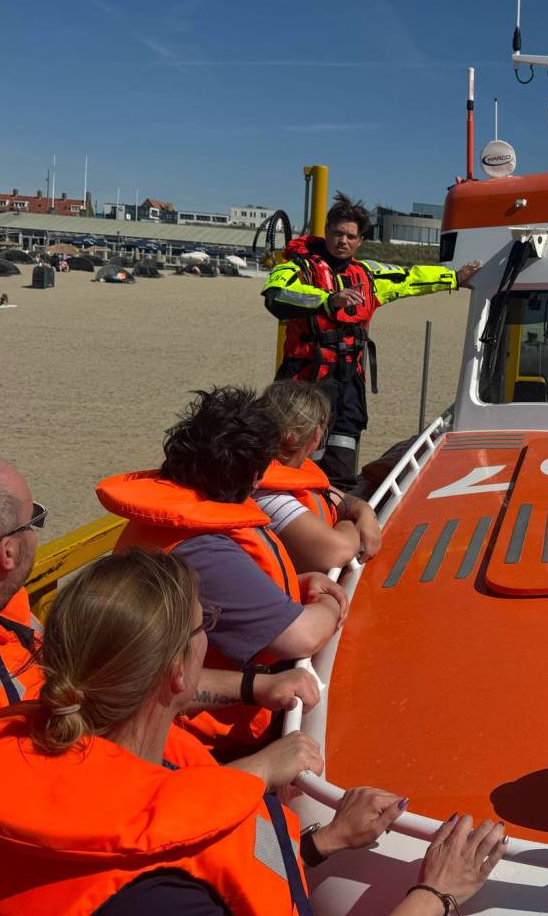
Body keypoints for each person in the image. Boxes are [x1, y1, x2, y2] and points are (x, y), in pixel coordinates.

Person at [0, 549, 506, 916]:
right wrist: (437, 894)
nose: (208, 637)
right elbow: (164, 873)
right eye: (203, 627)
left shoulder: (20, 782)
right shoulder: (160, 893)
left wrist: (323, 843)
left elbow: (145, 842)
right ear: (176, 673)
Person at [0, 460, 320, 911]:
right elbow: (59, 842)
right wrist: (255, 776)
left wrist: (249, 687)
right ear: (6, 554)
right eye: (36, 519)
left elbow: (115, 679)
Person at [98, 387, 349, 753]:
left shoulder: (171, 526)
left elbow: (221, 599)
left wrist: (294, 585)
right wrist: (330, 600)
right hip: (194, 738)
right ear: (252, 477)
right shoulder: (201, 548)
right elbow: (302, 637)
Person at [262, 193, 481, 487]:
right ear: (326, 232)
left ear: (360, 241)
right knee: (297, 456)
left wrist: (453, 278)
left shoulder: (367, 275)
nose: (343, 241)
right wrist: (328, 300)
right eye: (338, 233)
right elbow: (276, 296)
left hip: (349, 381)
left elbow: (409, 279)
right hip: (306, 379)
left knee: (343, 452)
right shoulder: (297, 268)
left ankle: (333, 504)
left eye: (351, 236)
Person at [254, 380, 384, 573]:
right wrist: (347, 522)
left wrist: (363, 511)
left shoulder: (295, 471)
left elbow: (344, 500)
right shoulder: (267, 494)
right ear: (316, 436)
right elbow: (338, 551)